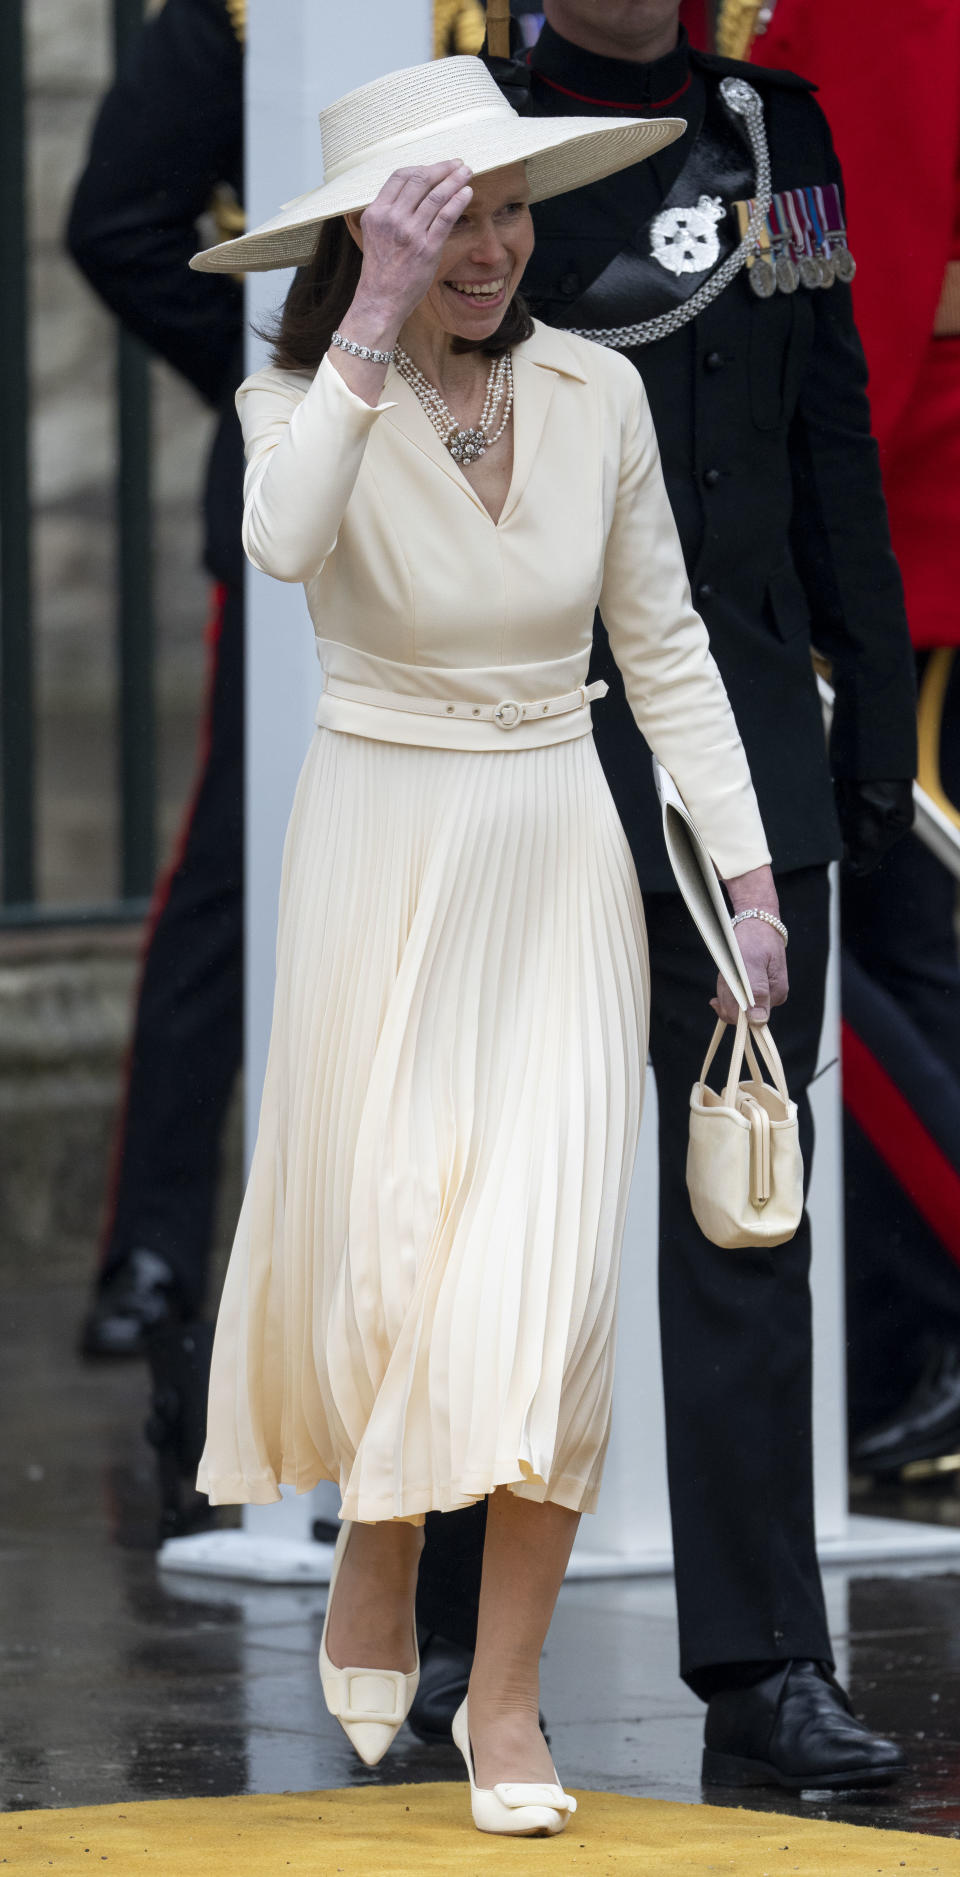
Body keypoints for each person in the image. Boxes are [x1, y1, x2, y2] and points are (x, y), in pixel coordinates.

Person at [192, 52, 781, 1836]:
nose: (490, 246)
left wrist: (743, 880)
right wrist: (369, 312)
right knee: (392, 1264)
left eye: (508, 208)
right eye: (448, 215)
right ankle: (379, 1530)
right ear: (372, 233)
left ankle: (506, 1702)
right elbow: (282, 544)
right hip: (382, 843)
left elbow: (666, 644)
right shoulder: (298, 395)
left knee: (545, 1291)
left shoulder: (601, 391)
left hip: (556, 852)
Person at [409, 0, 916, 1790]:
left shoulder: (775, 134)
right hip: (534, 749)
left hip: (749, 756)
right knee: (495, 1213)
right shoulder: (473, 135)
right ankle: (451, 1646)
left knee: (742, 1219)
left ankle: (768, 1666)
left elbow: (834, 429)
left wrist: (876, 719)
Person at [67, 0, 245, 1360]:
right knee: (234, 867)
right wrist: (283, 369)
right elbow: (123, 219)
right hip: (331, 472)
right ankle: (156, 1240)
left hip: (545, 462)